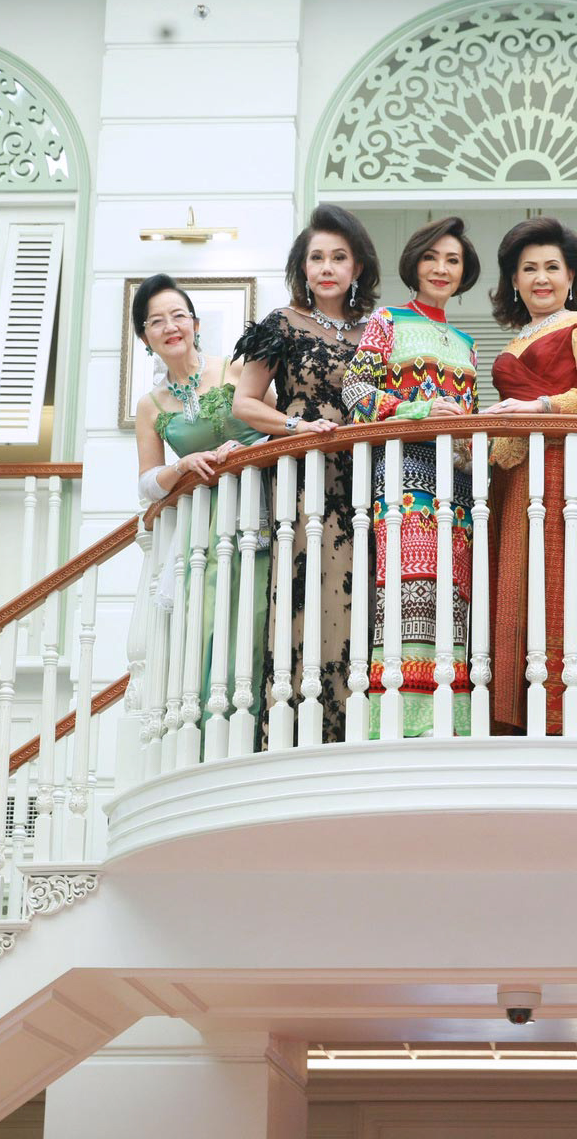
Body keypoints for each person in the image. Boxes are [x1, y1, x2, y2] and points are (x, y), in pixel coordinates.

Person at [232, 204, 380, 747]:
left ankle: (360, 732)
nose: (327, 267)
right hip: (309, 482)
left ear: (357, 268)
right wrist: (297, 425)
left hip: (368, 479)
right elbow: (245, 404)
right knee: (308, 596)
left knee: (366, 597)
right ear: (302, 267)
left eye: (339, 257)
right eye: (316, 257)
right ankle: (300, 733)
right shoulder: (283, 323)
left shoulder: (377, 329)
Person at [478, 216, 577, 736]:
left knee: (562, 582)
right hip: (513, 478)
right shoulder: (519, 339)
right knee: (517, 583)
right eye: (528, 268)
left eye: (552, 268)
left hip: (563, 468)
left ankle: (572, 715)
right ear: (513, 281)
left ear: (572, 274)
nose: (541, 278)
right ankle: (514, 715)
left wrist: (537, 405)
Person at [343, 216, 481, 737]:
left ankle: (452, 718)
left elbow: (467, 418)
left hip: (458, 486)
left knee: (455, 593)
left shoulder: (467, 342)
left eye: (453, 261)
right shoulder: (388, 321)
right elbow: (355, 393)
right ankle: (399, 720)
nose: (442, 269)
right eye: (432, 258)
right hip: (403, 474)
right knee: (403, 591)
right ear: (414, 264)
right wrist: (418, 412)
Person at [131, 274, 271, 742]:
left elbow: (278, 423)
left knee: (255, 619)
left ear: (194, 323)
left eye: (178, 315)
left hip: (260, 513)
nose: (170, 326)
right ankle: (212, 741)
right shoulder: (151, 406)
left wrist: (250, 449)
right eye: (156, 321)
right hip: (202, 533)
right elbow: (149, 482)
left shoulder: (233, 369)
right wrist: (183, 466)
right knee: (208, 625)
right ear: (144, 335)